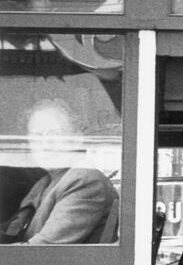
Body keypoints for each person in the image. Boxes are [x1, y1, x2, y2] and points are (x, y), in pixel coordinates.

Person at [2, 98, 118, 244]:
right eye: (37, 137)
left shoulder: (84, 180)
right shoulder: (44, 184)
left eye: (55, 134)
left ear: (77, 138)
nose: (45, 144)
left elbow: (43, 250)